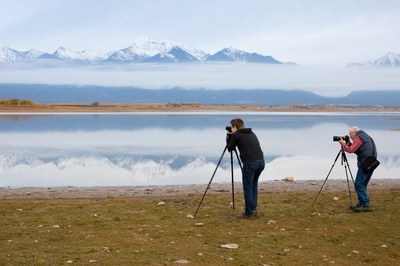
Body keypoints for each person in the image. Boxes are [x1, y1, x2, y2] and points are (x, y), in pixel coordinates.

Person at [227, 118, 265, 219]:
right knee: (253, 186)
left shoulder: (236, 135)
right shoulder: (251, 133)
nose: (231, 129)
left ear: (235, 127)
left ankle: (249, 213)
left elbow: (230, 148)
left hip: (250, 163)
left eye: (232, 127)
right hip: (261, 162)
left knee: (247, 187)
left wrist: (229, 137)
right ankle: (252, 209)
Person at [338, 126, 377, 212]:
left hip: (365, 164)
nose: (350, 137)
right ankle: (361, 203)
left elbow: (351, 150)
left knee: (358, 184)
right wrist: (347, 143)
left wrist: (343, 144)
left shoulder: (359, 137)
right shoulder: (366, 136)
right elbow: (358, 149)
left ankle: (366, 204)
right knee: (363, 184)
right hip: (371, 163)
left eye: (350, 134)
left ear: (354, 132)